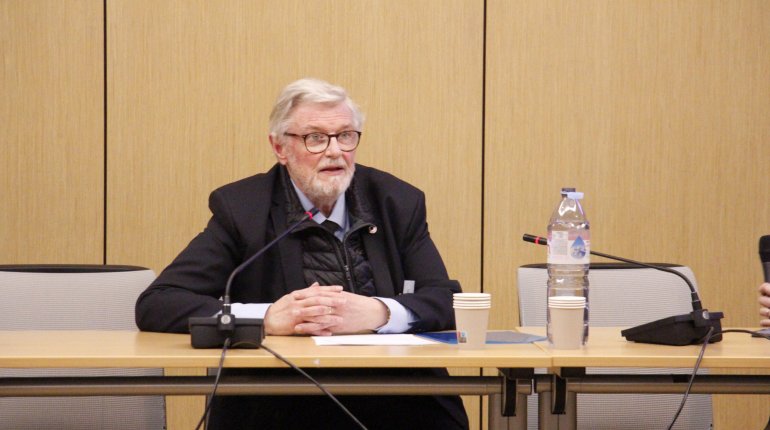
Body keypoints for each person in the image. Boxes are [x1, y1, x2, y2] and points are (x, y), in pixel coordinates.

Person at [135, 78, 469, 429]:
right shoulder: (243, 208)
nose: (335, 151)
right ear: (279, 147)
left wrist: (380, 312)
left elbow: (446, 301)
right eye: (315, 138)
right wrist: (267, 318)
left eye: (345, 136)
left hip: (395, 398)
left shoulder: (395, 201)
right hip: (280, 399)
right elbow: (159, 303)